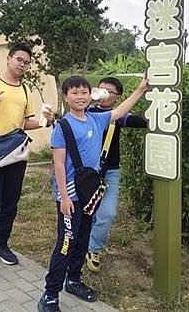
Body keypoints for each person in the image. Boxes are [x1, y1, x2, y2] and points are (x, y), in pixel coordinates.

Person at [38, 75, 148, 312]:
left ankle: (74, 280)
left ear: (91, 95)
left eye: (84, 92)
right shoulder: (63, 126)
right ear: (66, 98)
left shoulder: (97, 120)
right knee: (65, 245)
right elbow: (58, 164)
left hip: (89, 195)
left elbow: (120, 111)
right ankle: (49, 295)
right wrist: (64, 199)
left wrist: (140, 90)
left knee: (81, 240)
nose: (80, 97)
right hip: (70, 197)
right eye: (74, 93)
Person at [0, 43, 55, 286]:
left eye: (26, 62)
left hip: (16, 156)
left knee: (10, 204)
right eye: (19, 59)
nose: (22, 64)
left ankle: (1, 244)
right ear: (8, 59)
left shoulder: (25, 90)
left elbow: (24, 123)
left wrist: (45, 122)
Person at [86, 77, 147, 273]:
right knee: (89, 212)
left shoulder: (117, 116)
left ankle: (93, 249)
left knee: (107, 213)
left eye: (108, 91)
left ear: (117, 97)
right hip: (87, 173)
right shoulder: (85, 110)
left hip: (110, 172)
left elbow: (138, 121)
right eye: (100, 89)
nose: (103, 93)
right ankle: (85, 246)